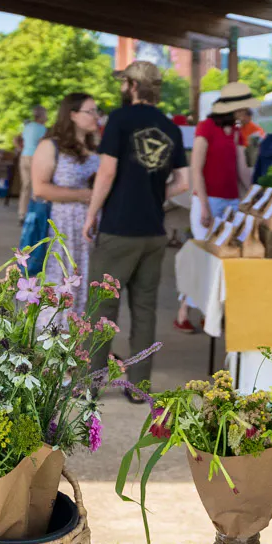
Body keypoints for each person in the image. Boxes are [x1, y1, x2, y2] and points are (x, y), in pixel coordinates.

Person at [84, 61, 188, 384]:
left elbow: (107, 172)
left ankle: (91, 381)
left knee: (101, 308)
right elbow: (183, 182)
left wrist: (91, 213)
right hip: (153, 232)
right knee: (145, 310)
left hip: (119, 227)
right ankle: (140, 383)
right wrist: (156, 197)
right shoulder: (170, 127)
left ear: (131, 85)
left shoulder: (120, 119)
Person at [32, 93, 101, 312]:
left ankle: (85, 342)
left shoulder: (95, 146)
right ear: (72, 114)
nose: (96, 116)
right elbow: (40, 188)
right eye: (90, 111)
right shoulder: (50, 145)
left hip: (93, 225)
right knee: (63, 283)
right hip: (64, 225)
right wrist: (87, 194)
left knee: (90, 284)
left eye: (96, 111)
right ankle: (59, 339)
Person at [190, 83, 255, 238]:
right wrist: (204, 206)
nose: (246, 112)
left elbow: (242, 169)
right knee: (205, 250)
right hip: (208, 199)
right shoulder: (206, 127)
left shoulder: (236, 131)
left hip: (232, 201)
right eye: (244, 107)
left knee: (230, 249)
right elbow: (196, 169)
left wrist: (253, 195)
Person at [18, 105, 49, 220]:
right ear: (41, 116)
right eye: (46, 115)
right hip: (35, 158)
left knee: (26, 186)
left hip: (24, 156)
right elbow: (43, 144)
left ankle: (22, 214)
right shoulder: (42, 129)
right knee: (37, 185)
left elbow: (16, 138)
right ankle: (35, 213)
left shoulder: (27, 126)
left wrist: (21, 148)